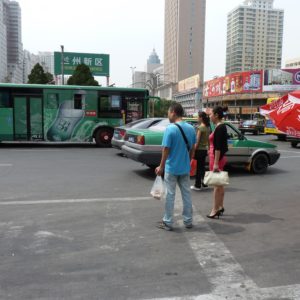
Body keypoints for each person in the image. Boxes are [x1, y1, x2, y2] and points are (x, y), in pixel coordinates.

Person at [155, 103, 196, 231]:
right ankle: (188, 221)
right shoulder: (191, 128)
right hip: (185, 168)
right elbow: (192, 148)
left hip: (171, 168)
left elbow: (166, 149)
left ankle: (167, 222)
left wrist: (161, 166)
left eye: (168, 112)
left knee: (170, 195)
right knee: (186, 194)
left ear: (173, 112)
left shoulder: (170, 129)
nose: (168, 115)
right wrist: (188, 162)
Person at [207, 106, 228, 219]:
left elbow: (218, 147)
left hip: (216, 159)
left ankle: (214, 210)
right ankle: (220, 206)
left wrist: (215, 163)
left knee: (216, 185)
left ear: (216, 115)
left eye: (210, 114)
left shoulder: (220, 128)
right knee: (220, 184)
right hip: (217, 158)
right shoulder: (219, 127)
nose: (209, 116)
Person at [191, 111, 210, 191]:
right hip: (204, 150)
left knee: (198, 168)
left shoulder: (200, 128)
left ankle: (197, 185)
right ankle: (204, 183)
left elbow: (197, 141)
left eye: (198, 117)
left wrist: (193, 150)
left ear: (201, 118)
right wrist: (208, 148)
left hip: (199, 150)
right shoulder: (207, 127)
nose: (197, 118)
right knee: (202, 167)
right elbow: (208, 140)